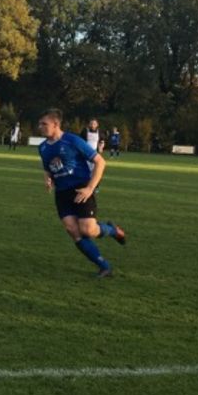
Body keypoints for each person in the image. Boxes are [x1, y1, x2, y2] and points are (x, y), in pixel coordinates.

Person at [37, 108, 127, 278]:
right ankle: (104, 266)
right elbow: (47, 168)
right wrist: (48, 179)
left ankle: (113, 230)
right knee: (72, 230)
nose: (40, 127)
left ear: (56, 124)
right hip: (62, 194)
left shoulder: (72, 141)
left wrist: (90, 188)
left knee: (88, 230)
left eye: (44, 124)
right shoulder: (42, 148)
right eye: (40, 123)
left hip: (81, 189)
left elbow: (100, 162)